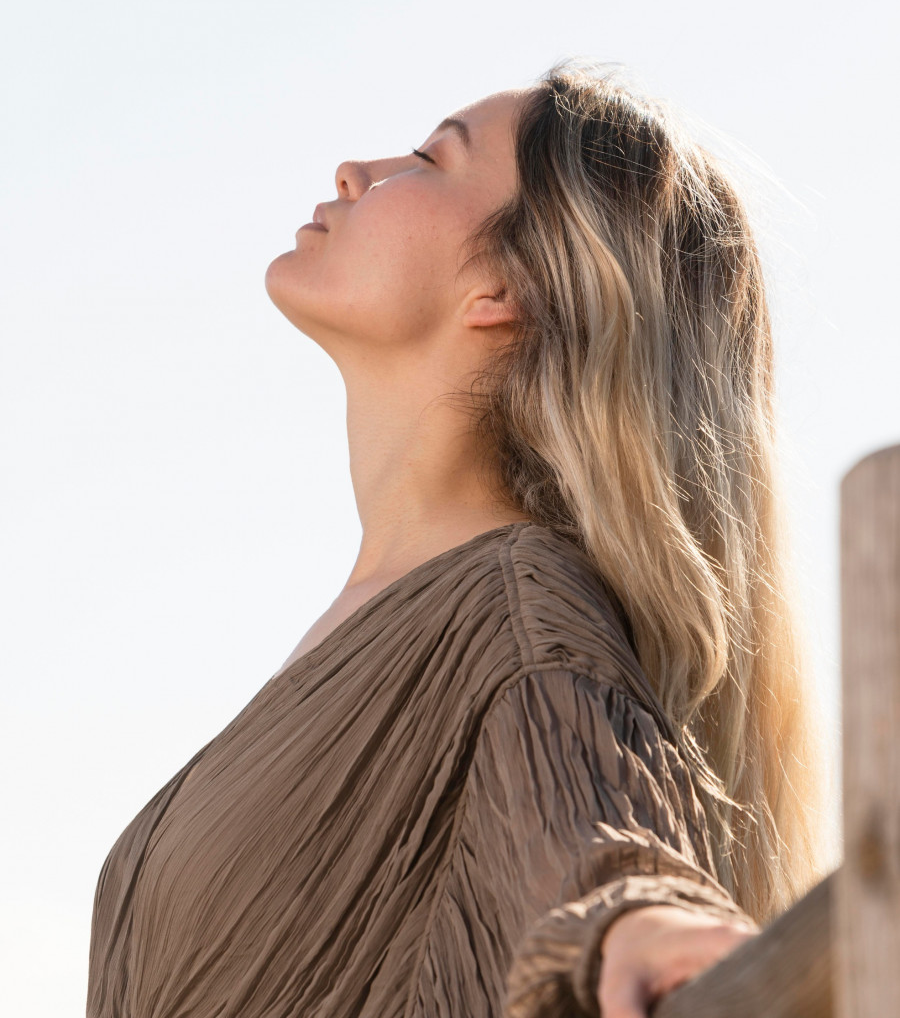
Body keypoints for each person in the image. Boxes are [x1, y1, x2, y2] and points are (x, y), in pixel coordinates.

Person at [86, 60, 831, 1018]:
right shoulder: (389, 618)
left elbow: (582, 813)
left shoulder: (512, 607)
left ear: (503, 286)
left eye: (432, 159)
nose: (358, 169)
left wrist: (641, 920)